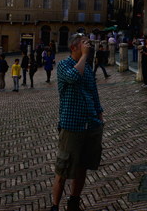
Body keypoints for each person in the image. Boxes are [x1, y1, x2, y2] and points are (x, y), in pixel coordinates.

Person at [51, 34, 105, 211]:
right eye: (84, 42)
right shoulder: (63, 65)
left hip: (90, 125)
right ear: (74, 47)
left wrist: (100, 117)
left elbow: (94, 93)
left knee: (82, 168)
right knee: (63, 170)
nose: (88, 45)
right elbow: (74, 76)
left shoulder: (88, 69)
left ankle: (74, 202)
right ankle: (55, 206)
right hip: (71, 126)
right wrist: (83, 56)